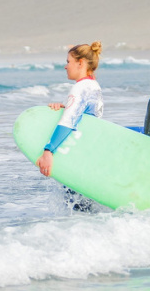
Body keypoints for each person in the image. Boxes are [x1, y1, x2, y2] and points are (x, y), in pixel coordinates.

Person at [36, 42, 103, 211]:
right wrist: (65, 107)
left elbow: (69, 122)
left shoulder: (79, 88)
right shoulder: (94, 85)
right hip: (89, 153)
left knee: (76, 208)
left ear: (80, 63)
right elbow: (86, 117)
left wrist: (48, 151)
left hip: (76, 156)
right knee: (87, 208)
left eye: (68, 62)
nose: (65, 67)